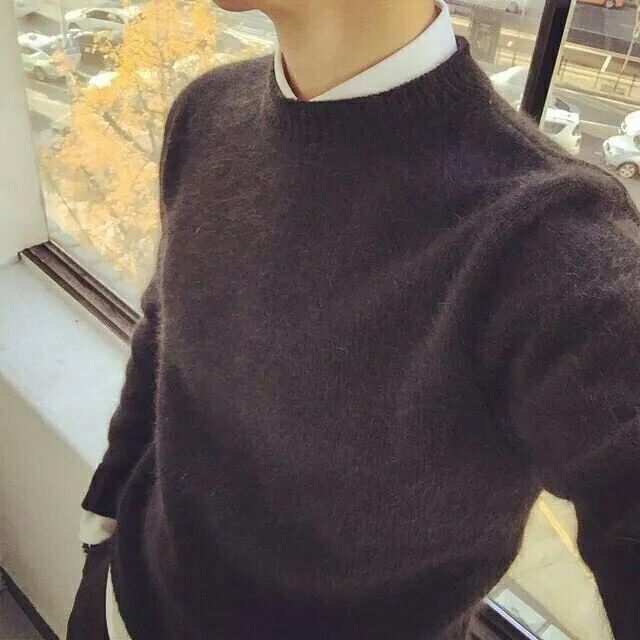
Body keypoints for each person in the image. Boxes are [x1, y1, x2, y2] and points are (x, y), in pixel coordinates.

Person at [67, 0, 640, 638]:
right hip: (119, 606)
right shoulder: (207, 111)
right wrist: (105, 511)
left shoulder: (554, 244)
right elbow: (163, 331)